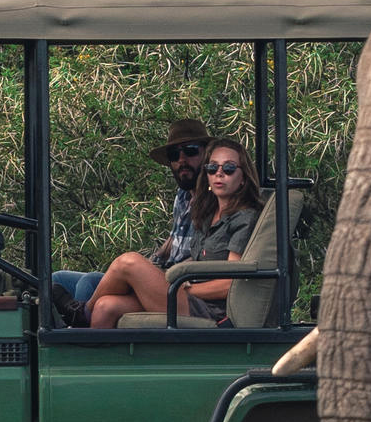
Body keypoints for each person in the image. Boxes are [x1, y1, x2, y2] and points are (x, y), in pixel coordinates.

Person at [88, 137, 260, 328]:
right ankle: (92, 355)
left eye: (228, 168)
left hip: (211, 310)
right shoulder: (207, 215)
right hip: (187, 293)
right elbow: (197, 260)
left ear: (243, 177)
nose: (219, 173)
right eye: (212, 168)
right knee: (105, 307)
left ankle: (80, 313)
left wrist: (184, 289)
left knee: (128, 262)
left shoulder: (244, 218)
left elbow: (230, 285)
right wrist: (161, 276)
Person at [51, 118, 213, 315]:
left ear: (206, 154)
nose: (182, 160)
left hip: (178, 282)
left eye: (190, 151)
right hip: (163, 274)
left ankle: (80, 328)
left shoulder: (215, 200)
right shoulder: (183, 195)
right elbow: (174, 239)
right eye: (174, 155)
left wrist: (155, 273)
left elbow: (205, 256)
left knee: (90, 281)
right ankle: (66, 328)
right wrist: (152, 261)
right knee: (56, 279)